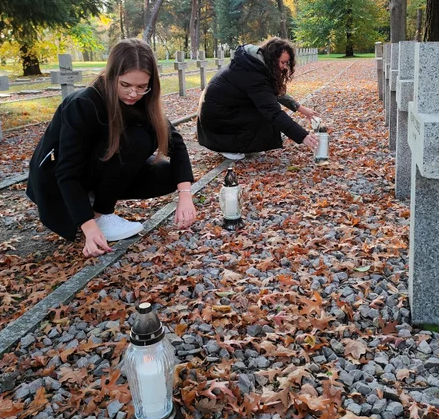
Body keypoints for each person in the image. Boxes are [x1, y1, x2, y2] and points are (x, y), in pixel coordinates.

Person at [27, 39, 196, 258]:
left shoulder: (144, 103)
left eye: (142, 87)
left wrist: (185, 195)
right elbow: (66, 171)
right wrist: (89, 227)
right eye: (125, 85)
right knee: (136, 139)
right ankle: (99, 215)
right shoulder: (83, 104)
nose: (133, 94)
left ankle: (97, 206)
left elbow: (176, 143)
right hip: (57, 182)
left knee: (167, 173)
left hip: (97, 171)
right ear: (110, 76)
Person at [197, 37, 319, 160]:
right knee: (266, 115)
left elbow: (272, 94)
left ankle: (247, 146)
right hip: (217, 119)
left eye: (287, 63)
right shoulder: (254, 74)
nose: (285, 67)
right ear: (272, 59)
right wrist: (303, 136)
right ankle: (227, 146)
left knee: (263, 113)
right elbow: (273, 112)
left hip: (225, 110)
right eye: (282, 62)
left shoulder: (256, 63)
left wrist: (302, 109)